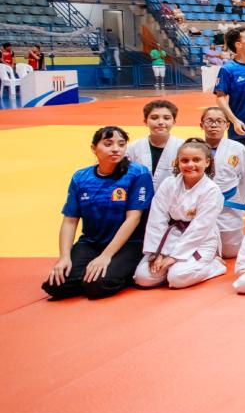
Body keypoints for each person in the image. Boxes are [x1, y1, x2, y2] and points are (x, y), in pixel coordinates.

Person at [44, 127, 153, 300]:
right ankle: (86, 272)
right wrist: (64, 257)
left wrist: (106, 256)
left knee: (97, 286)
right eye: (108, 144)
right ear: (94, 148)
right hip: (91, 242)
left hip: (129, 244)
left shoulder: (138, 173)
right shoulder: (80, 177)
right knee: (56, 286)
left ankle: (124, 272)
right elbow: (70, 220)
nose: (116, 148)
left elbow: (133, 218)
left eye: (121, 144)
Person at [133, 139, 226, 289]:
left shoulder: (211, 190)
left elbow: (199, 228)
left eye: (196, 160)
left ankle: (214, 266)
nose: (190, 165)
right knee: (143, 277)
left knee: (177, 278)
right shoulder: (169, 184)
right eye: (185, 160)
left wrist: (174, 257)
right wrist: (158, 253)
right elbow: (157, 219)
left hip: (201, 240)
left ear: (207, 162)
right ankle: (169, 271)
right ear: (178, 163)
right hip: (172, 236)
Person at [198, 106, 245, 259]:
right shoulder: (194, 148)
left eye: (219, 121)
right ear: (201, 125)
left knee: (231, 252)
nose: (214, 125)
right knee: (203, 250)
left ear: (227, 125)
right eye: (209, 121)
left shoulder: (238, 149)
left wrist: (237, 202)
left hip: (229, 205)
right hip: (201, 206)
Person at [125, 99, 183, 194]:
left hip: (173, 201)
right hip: (139, 200)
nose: (160, 122)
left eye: (166, 118)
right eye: (154, 118)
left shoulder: (183, 147)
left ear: (174, 122)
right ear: (145, 121)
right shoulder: (133, 148)